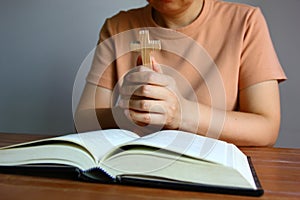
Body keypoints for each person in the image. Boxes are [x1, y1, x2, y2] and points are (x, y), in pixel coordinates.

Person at [75, 0, 287, 146]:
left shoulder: (246, 22)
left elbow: (266, 128)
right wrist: (132, 114)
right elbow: (84, 119)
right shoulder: (117, 27)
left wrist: (182, 114)